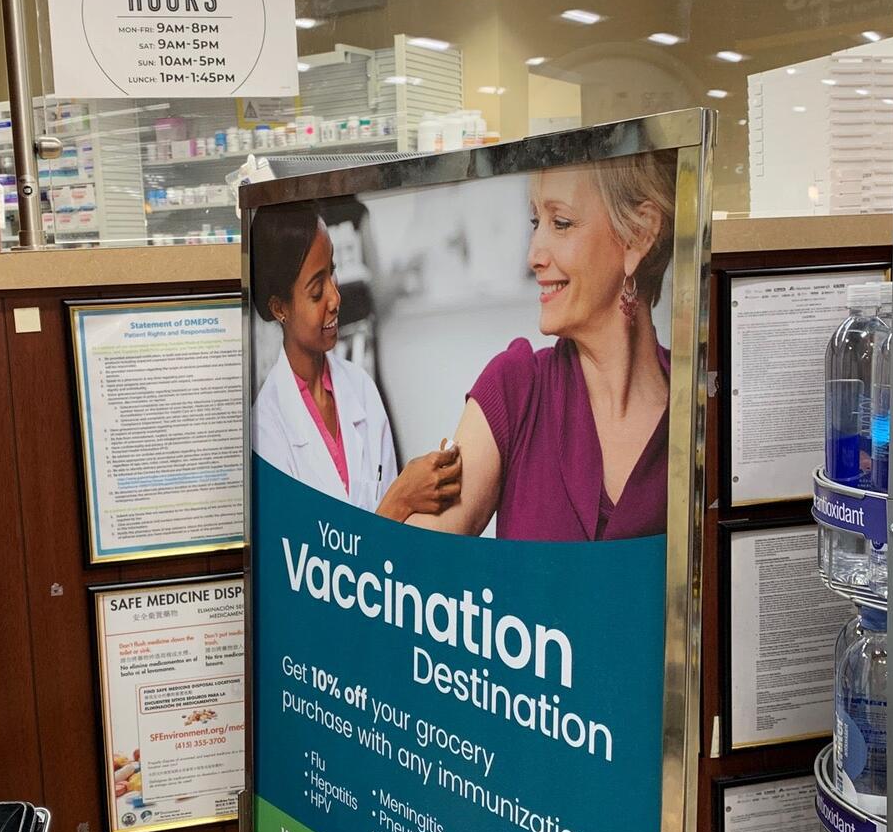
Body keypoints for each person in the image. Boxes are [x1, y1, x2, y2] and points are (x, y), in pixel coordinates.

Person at [409, 153, 675, 542]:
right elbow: (411, 560)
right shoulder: (515, 389)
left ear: (639, 234)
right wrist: (397, 500)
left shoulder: (695, 409)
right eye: (536, 223)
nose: (533, 255)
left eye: (561, 223)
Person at [251, 201, 461, 520]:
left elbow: (395, 533)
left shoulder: (361, 387)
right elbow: (307, 548)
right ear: (280, 308)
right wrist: (402, 498)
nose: (336, 299)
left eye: (332, 272)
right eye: (316, 291)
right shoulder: (267, 429)